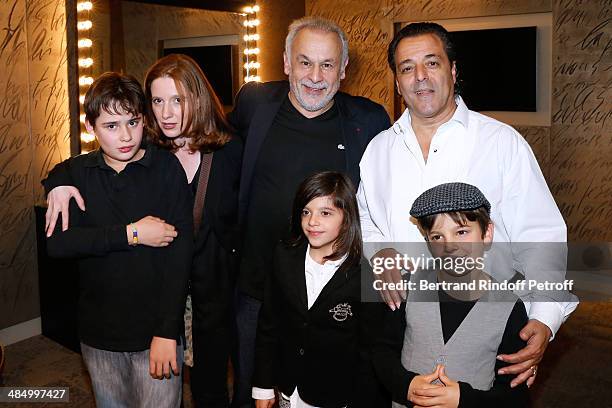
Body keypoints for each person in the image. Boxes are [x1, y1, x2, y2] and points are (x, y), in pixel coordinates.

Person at [357, 22, 577, 388]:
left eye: (432, 63)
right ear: (397, 82)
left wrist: (544, 316)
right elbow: (365, 218)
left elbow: (540, 237)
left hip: (488, 330)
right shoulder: (379, 150)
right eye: (407, 68)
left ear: (453, 70)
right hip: (404, 330)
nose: (420, 77)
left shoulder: (502, 143)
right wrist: (381, 252)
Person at [43, 54, 242, 408]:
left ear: (196, 98)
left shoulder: (226, 154)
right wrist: (57, 182)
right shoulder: (147, 149)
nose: (166, 112)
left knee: (209, 393)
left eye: (177, 99)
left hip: (208, 297)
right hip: (133, 308)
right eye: (158, 101)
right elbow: (77, 168)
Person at [228, 16, 390, 407]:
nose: (315, 76)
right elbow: (199, 138)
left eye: (328, 64)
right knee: (254, 391)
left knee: (325, 392)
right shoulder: (255, 104)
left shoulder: (369, 121)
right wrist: (64, 176)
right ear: (286, 62)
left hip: (328, 297)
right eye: (304, 62)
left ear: (344, 70)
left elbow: (392, 193)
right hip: (255, 290)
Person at [372, 182, 530, 408]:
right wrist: (406, 385)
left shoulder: (510, 308)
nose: (450, 247)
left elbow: (514, 395)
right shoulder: (406, 287)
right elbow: (382, 351)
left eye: (462, 232)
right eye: (437, 237)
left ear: (486, 233)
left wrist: (463, 400)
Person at [252, 171, 363, 408]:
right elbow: (268, 324)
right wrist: (262, 386)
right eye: (306, 212)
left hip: (337, 396)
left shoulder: (364, 271)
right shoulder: (284, 256)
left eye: (325, 213)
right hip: (288, 389)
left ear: (347, 217)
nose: (312, 221)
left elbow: (370, 348)